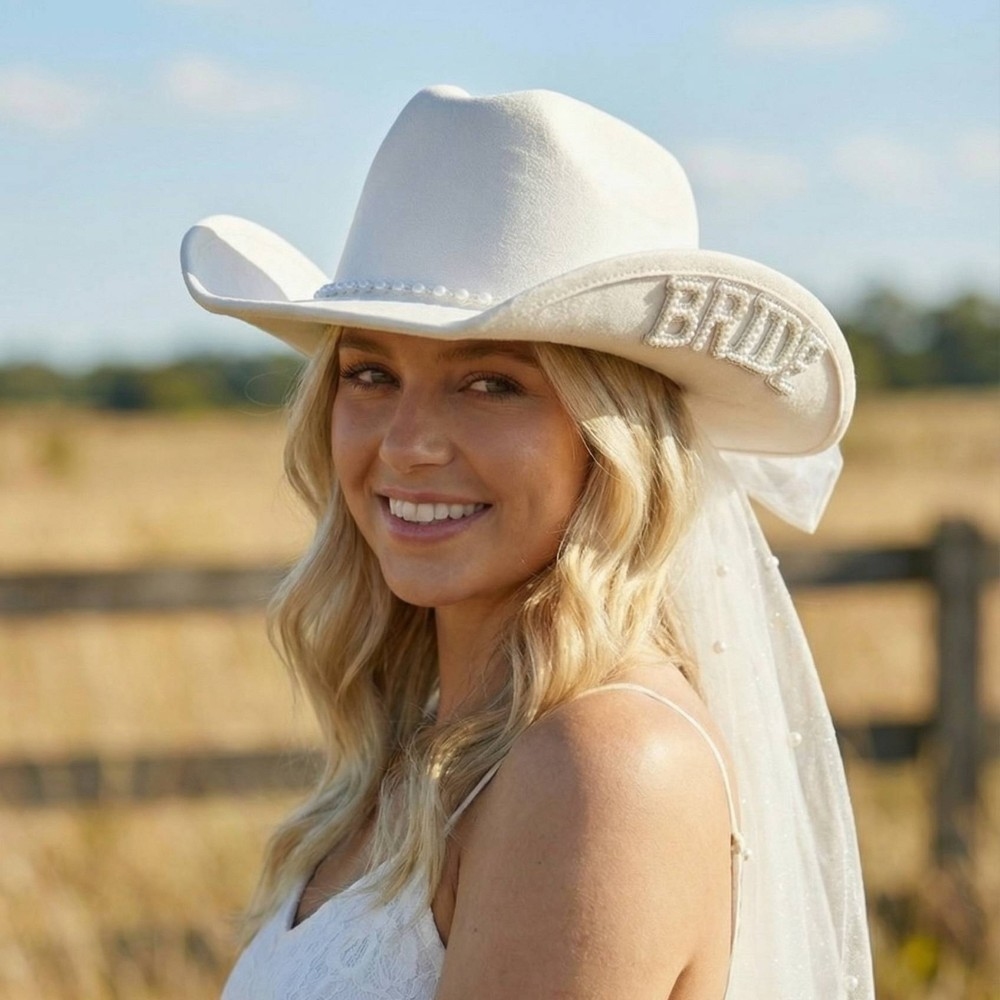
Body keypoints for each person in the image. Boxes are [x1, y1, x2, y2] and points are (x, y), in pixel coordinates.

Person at [181, 85, 875, 999]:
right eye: (371, 373)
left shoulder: (604, 764)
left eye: (491, 385)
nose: (406, 444)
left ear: (612, 437)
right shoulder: (446, 737)